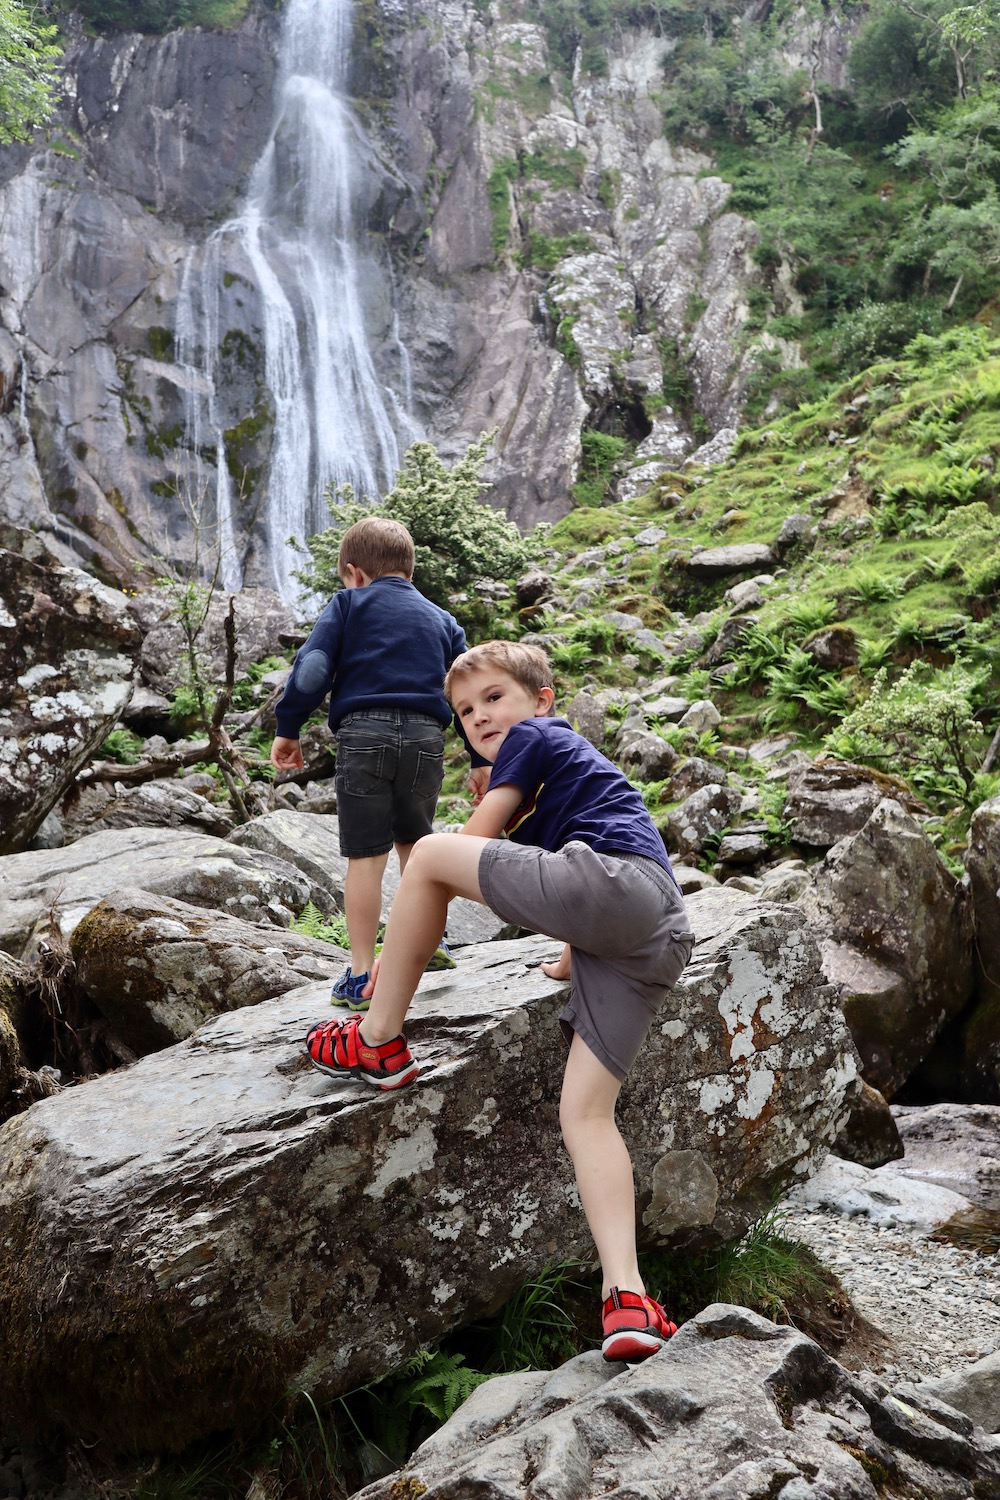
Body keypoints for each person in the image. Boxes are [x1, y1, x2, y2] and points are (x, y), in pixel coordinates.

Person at [304, 639, 695, 1363]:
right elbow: (590, 846)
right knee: (585, 1113)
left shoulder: (536, 737)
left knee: (426, 853)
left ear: (540, 701)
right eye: (464, 711)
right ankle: (628, 1299)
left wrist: (394, 948)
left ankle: (378, 1037)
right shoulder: (557, 769)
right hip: (655, 932)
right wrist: (570, 957)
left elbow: (464, 848)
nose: (479, 717)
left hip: (619, 890)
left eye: (494, 698)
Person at [270, 517, 482, 1004]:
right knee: (417, 845)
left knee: (365, 858)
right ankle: (429, 943)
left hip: (365, 735)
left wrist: (289, 726)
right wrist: (478, 758)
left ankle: (363, 974)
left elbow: (315, 667)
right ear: (409, 569)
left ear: (355, 572)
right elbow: (467, 690)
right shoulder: (443, 619)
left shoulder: (349, 603)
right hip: (428, 739)